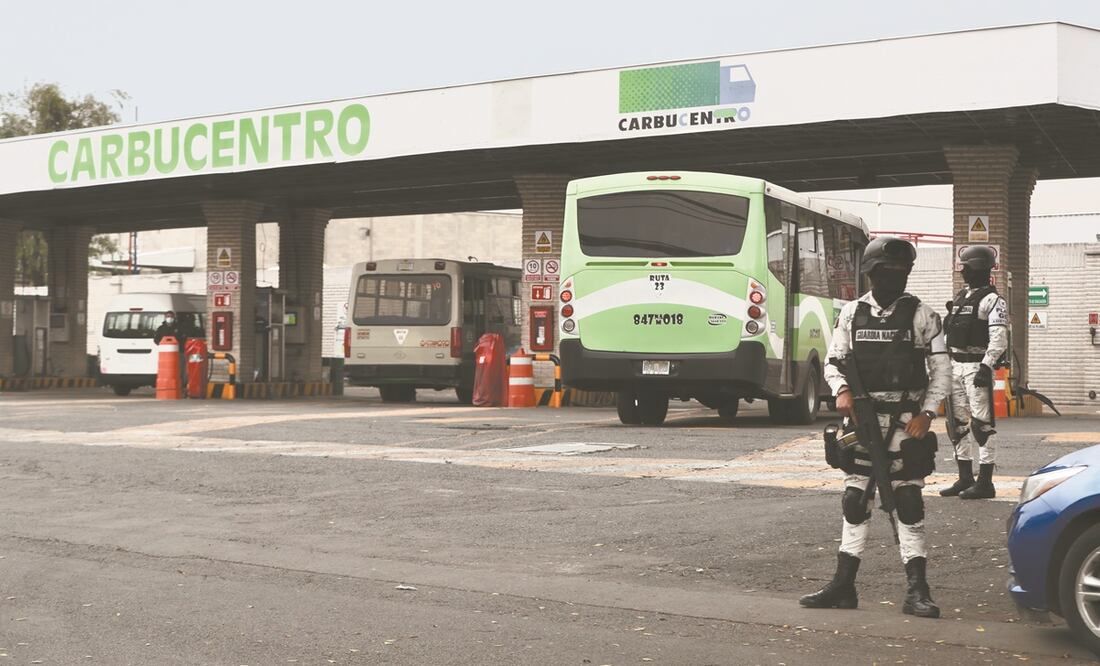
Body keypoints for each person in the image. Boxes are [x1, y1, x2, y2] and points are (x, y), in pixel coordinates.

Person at [800, 236, 951, 619]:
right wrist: (842, 390)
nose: (894, 279)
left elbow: (942, 371)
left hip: (905, 423)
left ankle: (918, 590)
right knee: (855, 500)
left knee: (908, 502)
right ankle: (843, 586)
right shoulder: (850, 314)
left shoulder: (924, 315)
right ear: (871, 273)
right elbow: (835, 361)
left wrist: (928, 413)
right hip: (862, 421)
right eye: (886, 272)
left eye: (901, 273)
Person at [939, 245, 1007, 500]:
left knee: (981, 424)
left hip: (977, 366)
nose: (963, 272)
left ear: (978, 268)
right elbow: (949, 333)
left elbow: (999, 339)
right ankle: (964, 477)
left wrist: (986, 366)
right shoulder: (961, 297)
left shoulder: (992, 301)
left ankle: (985, 482)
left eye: (966, 267)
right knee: (956, 424)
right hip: (955, 365)